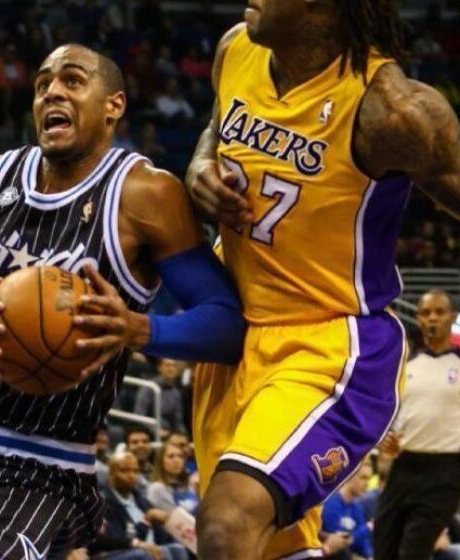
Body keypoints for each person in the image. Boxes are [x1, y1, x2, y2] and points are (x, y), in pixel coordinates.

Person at [0, 43, 245, 559]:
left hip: (38, 464)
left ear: (114, 105)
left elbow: (228, 324)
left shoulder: (145, 195)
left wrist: (139, 330)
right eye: (41, 85)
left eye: (73, 81)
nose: (51, 91)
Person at [186, 2, 460, 557]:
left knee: (224, 524)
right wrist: (200, 168)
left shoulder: (391, 112)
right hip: (233, 340)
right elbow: (213, 129)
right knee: (274, 548)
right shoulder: (236, 48)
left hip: (328, 346)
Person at [374, 289, 460, 559]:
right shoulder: (405, 364)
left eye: (439, 312)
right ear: (418, 319)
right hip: (404, 465)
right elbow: (389, 414)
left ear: (452, 317)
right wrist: (385, 438)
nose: (432, 318)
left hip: (445, 470)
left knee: (413, 552)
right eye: (425, 313)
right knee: (383, 547)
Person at [89, 452, 188, 559]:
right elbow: (120, 540)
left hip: (145, 548)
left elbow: (162, 535)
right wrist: (145, 522)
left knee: (178, 549)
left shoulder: (141, 499)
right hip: (115, 554)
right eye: (124, 470)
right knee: (148, 554)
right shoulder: (103, 502)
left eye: (135, 471)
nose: (131, 475)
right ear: (111, 473)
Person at [321, 461, 373, 559]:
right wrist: (368, 528)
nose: (367, 484)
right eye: (363, 478)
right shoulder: (331, 503)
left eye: (369, 479)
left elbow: (363, 544)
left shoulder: (357, 507)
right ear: (350, 476)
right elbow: (339, 542)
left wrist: (370, 556)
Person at [147, 442, 199, 515]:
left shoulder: (187, 485)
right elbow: (175, 519)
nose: (177, 460)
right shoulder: (157, 488)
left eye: (180, 456)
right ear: (160, 461)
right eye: (171, 456)